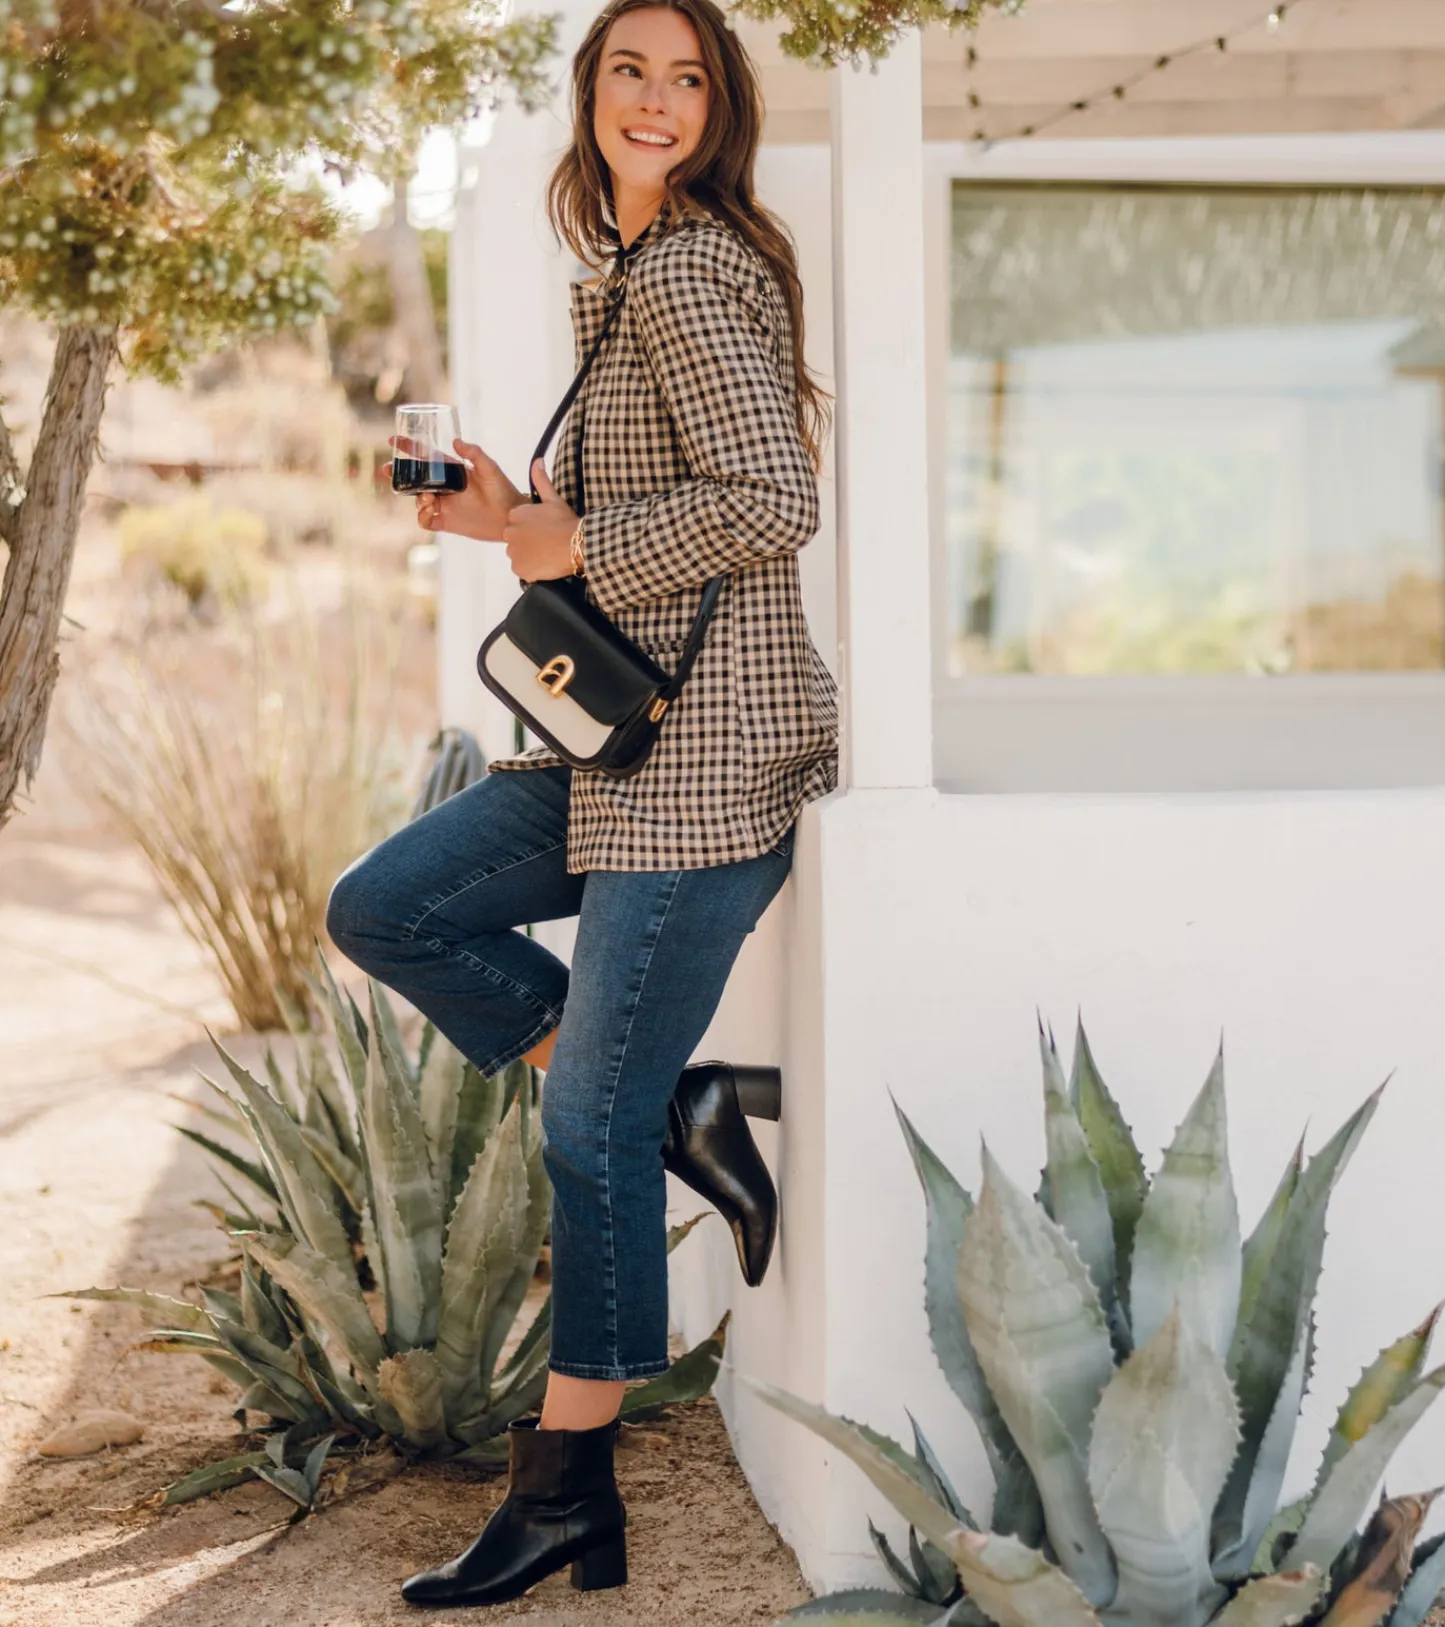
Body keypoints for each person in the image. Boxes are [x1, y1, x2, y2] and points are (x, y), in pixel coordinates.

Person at [325, 0, 837, 1605]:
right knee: (385, 906)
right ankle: (686, 1102)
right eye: (633, 70)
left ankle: (566, 1494)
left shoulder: (686, 265)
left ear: (717, 108)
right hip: (615, 749)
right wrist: (514, 521)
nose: (659, 99)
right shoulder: (620, 272)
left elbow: (773, 501)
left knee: (584, 1127)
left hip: (707, 767)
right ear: (590, 91)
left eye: (689, 79)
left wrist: (574, 548)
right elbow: (631, 514)